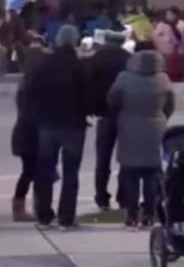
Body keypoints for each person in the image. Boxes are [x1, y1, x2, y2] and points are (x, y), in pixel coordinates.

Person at [28, 25, 91, 230]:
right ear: (75, 41)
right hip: (73, 125)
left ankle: (44, 214)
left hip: (47, 124)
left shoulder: (43, 64)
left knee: (45, 170)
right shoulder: (79, 66)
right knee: (71, 172)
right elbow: (86, 95)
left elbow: (31, 91)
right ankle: (66, 217)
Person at [107, 50, 174, 228]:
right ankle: (149, 214)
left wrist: (120, 116)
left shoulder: (124, 78)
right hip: (155, 129)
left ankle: (131, 214)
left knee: (130, 174)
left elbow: (112, 100)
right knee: (152, 175)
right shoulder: (163, 80)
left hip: (129, 127)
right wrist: (161, 117)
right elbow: (170, 105)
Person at [89, 30, 132, 212]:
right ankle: (123, 196)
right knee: (125, 158)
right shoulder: (129, 59)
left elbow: (88, 83)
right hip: (126, 113)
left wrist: (91, 106)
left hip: (104, 114)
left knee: (102, 159)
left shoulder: (95, 59)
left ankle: (101, 197)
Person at [11, 33, 48, 222]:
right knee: (35, 171)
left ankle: (23, 205)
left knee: (30, 171)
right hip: (33, 133)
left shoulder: (24, 84)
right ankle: (32, 206)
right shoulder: (38, 86)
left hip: (23, 132)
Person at [154, 7, 184, 82]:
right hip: (165, 52)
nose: (169, 16)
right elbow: (156, 36)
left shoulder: (183, 25)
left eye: (171, 14)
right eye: (167, 14)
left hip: (180, 52)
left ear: (176, 15)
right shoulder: (161, 25)